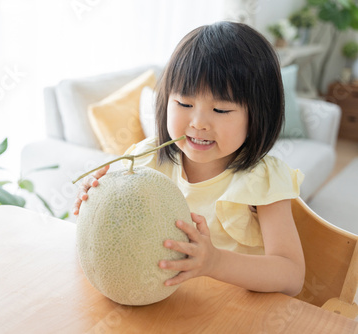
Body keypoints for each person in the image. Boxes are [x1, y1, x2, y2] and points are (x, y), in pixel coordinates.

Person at [73, 21, 305, 296]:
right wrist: (96, 199)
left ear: (258, 116)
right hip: (164, 304)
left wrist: (215, 262)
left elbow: (291, 276)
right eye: (184, 104)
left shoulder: (263, 179)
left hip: (234, 315)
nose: (198, 123)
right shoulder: (146, 159)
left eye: (220, 109)